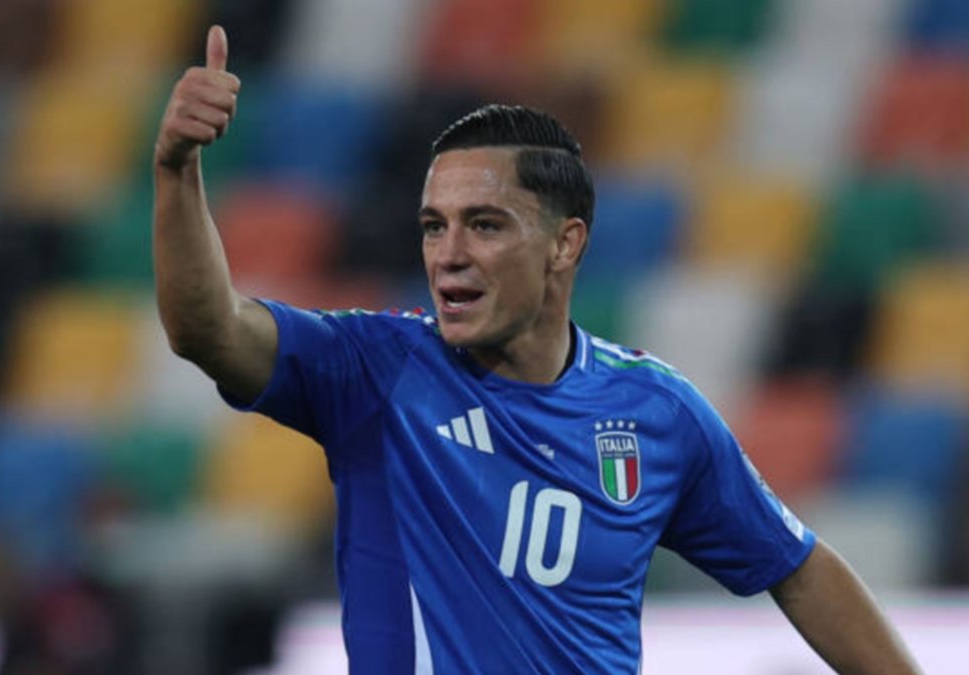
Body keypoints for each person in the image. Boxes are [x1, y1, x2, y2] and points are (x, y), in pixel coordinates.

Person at [154, 25, 922, 674]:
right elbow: (208, 328)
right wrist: (177, 169)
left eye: (484, 224)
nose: (448, 255)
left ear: (565, 243)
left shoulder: (655, 412)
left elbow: (799, 567)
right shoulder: (375, 372)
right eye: (434, 226)